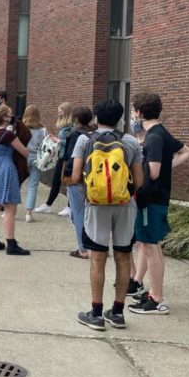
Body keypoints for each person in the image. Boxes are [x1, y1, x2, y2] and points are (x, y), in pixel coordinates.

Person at [71, 99, 144, 331]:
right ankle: (118, 312)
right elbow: (139, 181)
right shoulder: (131, 142)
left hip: (95, 205)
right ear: (120, 118)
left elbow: (74, 177)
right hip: (125, 205)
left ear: (96, 118)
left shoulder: (85, 140)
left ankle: (95, 313)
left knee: (98, 257)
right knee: (123, 257)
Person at [128, 92, 189, 315]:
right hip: (157, 197)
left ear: (140, 112)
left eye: (134, 110)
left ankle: (156, 298)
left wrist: (154, 169)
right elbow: (186, 152)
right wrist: (168, 167)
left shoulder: (154, 137)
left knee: (149, 246)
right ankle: (154, 294)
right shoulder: (160, 133)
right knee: (150, 245)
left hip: (151, 197)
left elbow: (153, 172)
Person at [0, 105, 31, 255]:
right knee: (10, 208)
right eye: (10, 114)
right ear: (5, 117)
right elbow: (24, 152)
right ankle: (11, 243)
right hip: (6, 168)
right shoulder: (8, 135)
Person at [64, 106, 95, 259]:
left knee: (78, 214)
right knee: (93, 214)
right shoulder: (94, 134)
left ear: (76, 119)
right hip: (94, 178)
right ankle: (97, 247)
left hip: (77, 178)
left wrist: (67, 177)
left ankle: (82, 248)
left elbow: (71, 158)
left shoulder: (75, 134)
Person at [35, 102, 73, 217]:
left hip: (66, 157)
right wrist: (56, 139)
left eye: (60, 110)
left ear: (66, 111)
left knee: (65, 180)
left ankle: (69, 207)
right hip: (61, 156)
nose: (58, 112)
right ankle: (48, 205)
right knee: (56, 180)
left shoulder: (71, 126)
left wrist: (59, 141)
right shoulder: (64, 125)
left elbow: (71, 142)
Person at [21, 105, 49, 223]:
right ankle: (28, 213)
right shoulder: (43, 130)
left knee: (16, 184)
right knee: (33, 187)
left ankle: (9, 211)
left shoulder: (21, 127)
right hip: (36, 159)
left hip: (22, 157)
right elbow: (46, 145)